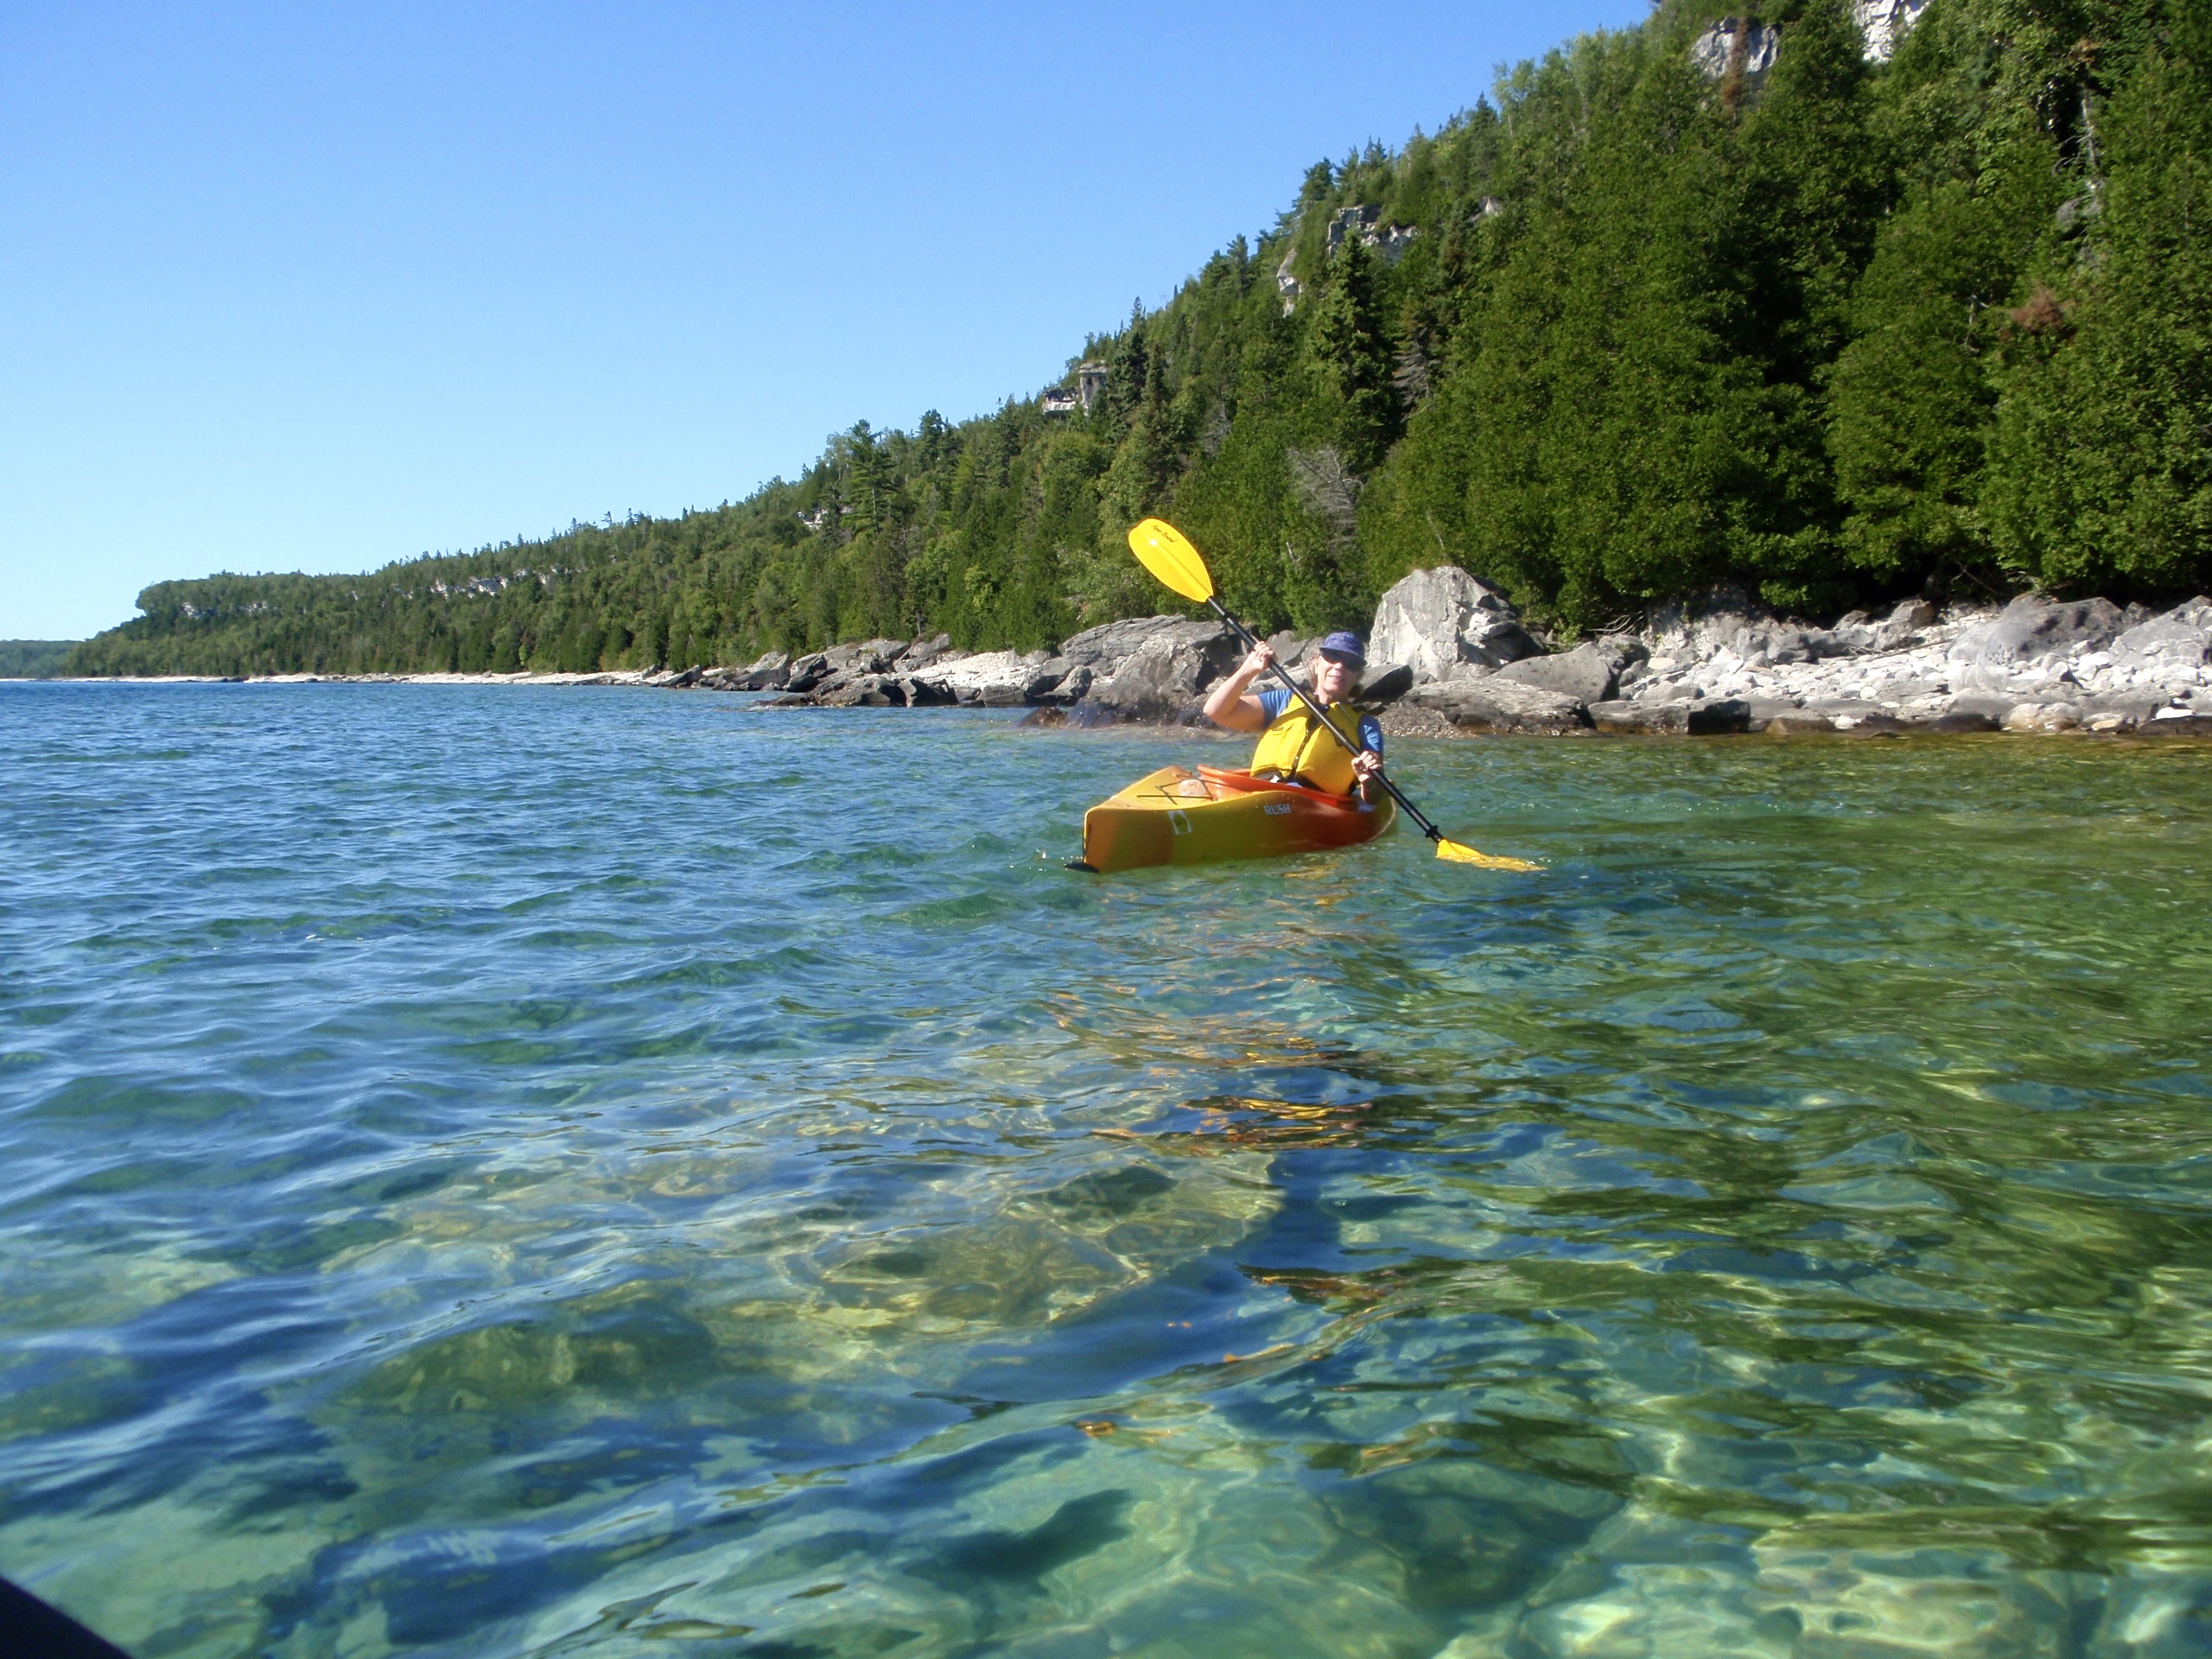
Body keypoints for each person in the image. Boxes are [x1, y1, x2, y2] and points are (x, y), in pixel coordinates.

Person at [1202, 630, 1384, 798]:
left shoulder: (1365, 725)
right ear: (1317, 662)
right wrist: (1249, 669)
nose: (1339, 666)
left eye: (1351, 663)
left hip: (1314, 803)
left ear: (1359, 675)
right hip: (1261, 791)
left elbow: (1375, 796)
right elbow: (1215, 711)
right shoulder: (1285, 701)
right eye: (1332, 656)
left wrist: (1368, 782)